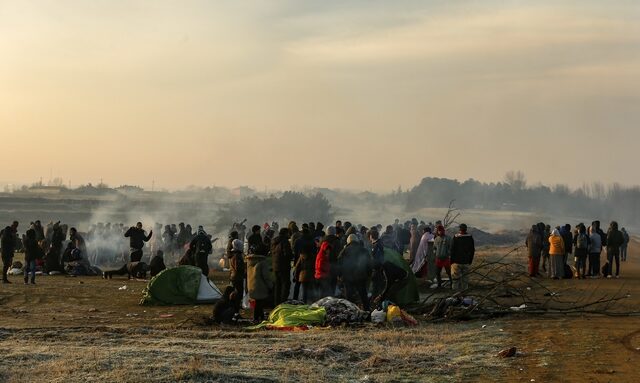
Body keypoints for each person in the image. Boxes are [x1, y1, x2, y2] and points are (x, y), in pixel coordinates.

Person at [337, 234, 372, 311]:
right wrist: (369, 274)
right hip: (361, 277)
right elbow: (369, 263)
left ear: (348, 241)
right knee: (363, 296)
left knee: (349, 297)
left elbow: (339, 264)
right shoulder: (363, 250)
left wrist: (340, 276)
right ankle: (367, 312)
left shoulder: (344, 251)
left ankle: (350, 313)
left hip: (348, 278)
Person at [246, 250, 273, 323]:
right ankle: (255, 318)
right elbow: (266, 277)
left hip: (252, 285)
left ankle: (261, 317)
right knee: (259, 303)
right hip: (260, 286)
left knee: (258, 302)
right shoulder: (262, 262)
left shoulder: (249, 261)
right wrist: (270, 286)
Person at [293, 227, 316, 303]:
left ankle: (295, 300)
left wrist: (295, 275)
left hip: (300, 265)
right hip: (310, 272)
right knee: (310, 290)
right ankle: (311, 303)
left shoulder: (297, 241)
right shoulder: (312, 241)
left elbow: (294, 252)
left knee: (299, 286)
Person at [271, 228, 293, 306]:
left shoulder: (274, 241)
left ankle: (276, 304)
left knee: (277, 285)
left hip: (275, 266)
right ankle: (283, 303)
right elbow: (287, 254)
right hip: (284, 266)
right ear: (285, 233)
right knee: (285, 285)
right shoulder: (285, 241)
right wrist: (292, 256)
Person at [450, 224, 475, 290]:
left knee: (455, 280)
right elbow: (472, 250)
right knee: (465, 280)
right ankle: (464, 295)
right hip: (466, 262)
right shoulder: (469, 237)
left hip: (456, 262)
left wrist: (451, 261)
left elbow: (452, 250)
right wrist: (470, 260)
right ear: (466, 229)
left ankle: (455, 296)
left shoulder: (456, 237)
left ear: (459, 229)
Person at [228, 239, 245, 312]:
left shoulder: (234, 255)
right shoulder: (237, 256)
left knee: (236, 293)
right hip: (237, 277)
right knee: (238, 294)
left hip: (234, 276)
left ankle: (235, 308)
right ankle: (235, 309)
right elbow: (238, 268)